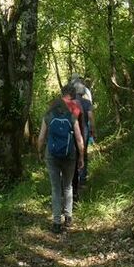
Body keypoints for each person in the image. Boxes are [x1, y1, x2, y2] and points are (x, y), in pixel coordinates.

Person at [37, 86, 85, 234]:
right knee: (68, 186)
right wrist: (81, 157)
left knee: (55, 188)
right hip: (69, 155)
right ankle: (68, 217)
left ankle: (57, 222)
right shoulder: (71, 116)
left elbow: (41, 138)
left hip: (51, 156)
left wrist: (39, 152)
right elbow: (79, 140)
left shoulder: (48, 115)